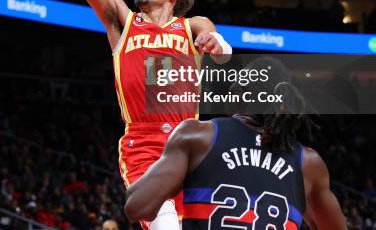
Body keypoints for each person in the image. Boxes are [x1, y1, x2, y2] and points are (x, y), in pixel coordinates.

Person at [28, 0, 232, 230]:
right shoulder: (121, 20)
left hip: (192, 142)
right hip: (144, 143)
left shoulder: (191, 26)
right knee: (165, 224)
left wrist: (215, 45)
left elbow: (220, 43)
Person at [124, 58, 347, 230]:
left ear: (239, 94)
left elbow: (136, 206)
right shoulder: (307, 163)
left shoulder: (198, 136)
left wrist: (179, 178)